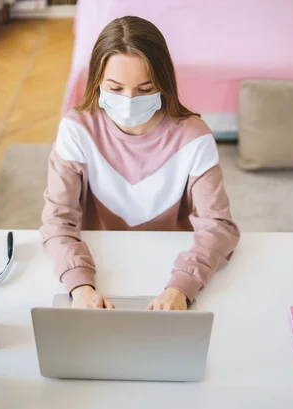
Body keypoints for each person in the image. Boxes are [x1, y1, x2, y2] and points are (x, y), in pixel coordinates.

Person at [40, 16, 240, 311]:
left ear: (163, 83)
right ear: (97, 82)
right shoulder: (76, 130)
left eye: (145, 89)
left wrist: (182, 287)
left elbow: (220, 226)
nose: (130, 100)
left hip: (171, 267)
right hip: (100, 261)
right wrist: (80, 285)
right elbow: (57, 219)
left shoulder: (194, 138)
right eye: (115, 88)